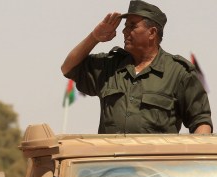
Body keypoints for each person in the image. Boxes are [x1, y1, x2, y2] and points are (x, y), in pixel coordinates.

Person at [61, 0, 212, 134]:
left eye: (132, 26)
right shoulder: (111, 66)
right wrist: (94, 37)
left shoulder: (178, 72)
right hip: (112, 164)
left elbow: (201, 122)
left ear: (152, 33)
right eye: (125, 26)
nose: (124, 31)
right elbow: (68, 68)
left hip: (156, 165)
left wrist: (191, 159)